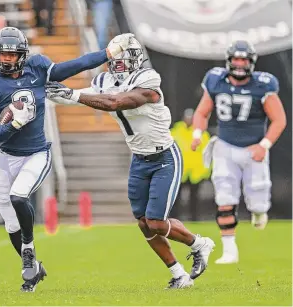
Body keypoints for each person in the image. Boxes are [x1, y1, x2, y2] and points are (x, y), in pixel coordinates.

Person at [0, 27, 133, 292]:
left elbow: (74, 66)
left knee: (18, 197)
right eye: (3, 54)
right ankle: (33, 269)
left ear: (22, 55)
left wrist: (106, 53)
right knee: (10, 222)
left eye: (12, 55)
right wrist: (13, 126)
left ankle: (28, 250)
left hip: (36, 153)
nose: (7, 59)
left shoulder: (37, 68)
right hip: (7, 156)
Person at [46, 36, 215, 289]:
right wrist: (47, 92)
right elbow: (83, 95)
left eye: (124, 57)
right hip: (139, 158)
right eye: (115, 57)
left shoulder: (148, 79)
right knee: (144, 224)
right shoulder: (104, 80)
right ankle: (179, 275)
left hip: (164, 158)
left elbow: (116, 102)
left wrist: (72, 95)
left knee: (157, 221)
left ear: (136, 58)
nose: (119, 63)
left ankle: (199, 244)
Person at [190, 40, 287, 264]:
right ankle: (230, 251)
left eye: (244, 59)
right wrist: (197, 133)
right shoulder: (216, 79)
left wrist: (264, 145)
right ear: (229, 60)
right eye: (237, 59)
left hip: (254, 148)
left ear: (251, 61)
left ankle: (259, 211)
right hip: (225, 146)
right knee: (224, 195)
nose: (240, 63)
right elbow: (202, 112)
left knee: (258, 197)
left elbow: (279, 119)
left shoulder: (263, 84)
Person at [170, 108, 211, 220]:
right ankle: (174, 218)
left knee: (194, 197)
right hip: (180, 170)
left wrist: (206, 170)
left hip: (195, 171)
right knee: (175, 197)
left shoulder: (201, 133)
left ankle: (194, 218)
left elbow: (207, 154)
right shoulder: (176, 131)